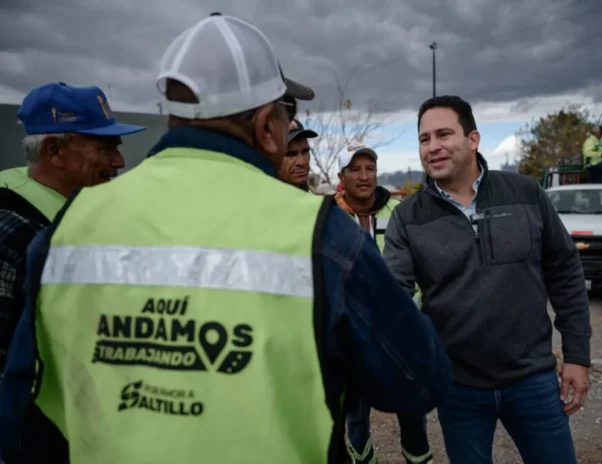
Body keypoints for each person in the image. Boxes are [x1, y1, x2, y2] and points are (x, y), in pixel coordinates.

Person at [0, 14, 449, 464]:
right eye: (287, 114)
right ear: (265, 125)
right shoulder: (320, 233)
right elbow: (417, 380)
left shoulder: (71, 226)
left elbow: (24, 408)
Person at [383, 95, 591, 464]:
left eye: (444, 134)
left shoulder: (526, 193)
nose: (433, 147)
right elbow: (394, 301)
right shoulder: (407, 217)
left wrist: (577, 355)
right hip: (458, 388)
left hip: (533, 380)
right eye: (424, 139)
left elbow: (565, 272)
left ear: (473, 139)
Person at [0, 82, 145, 463]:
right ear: (53, 150)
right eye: (105, 148)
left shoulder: (78, 219)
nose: (119, 162)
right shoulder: (13, 231)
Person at [334, 144, 431, 464]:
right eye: (355, 169)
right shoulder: (329, 217)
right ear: (341, 176)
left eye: (370, 168)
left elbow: (422, 269)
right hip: (353, 338)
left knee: (413, 415)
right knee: (357, 418)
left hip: (401, 334)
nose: (364, 176)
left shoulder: (400, 212)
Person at [279, 117, 317, 191]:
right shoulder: (262, 196)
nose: (302, 162)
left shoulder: (310, 195)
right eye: (291, 154)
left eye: (305, 151)